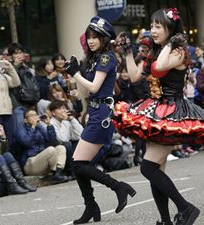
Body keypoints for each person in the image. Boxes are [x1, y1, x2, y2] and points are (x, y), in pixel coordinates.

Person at [112, 8, 204, 225]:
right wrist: (128, 52)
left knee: (147, 167)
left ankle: (186, 208)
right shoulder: (155, 51)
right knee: (156, 170)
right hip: (156, 109)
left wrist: (170, 44)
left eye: (158, 26)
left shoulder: (177, 51)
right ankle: (166, 220)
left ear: (171, 29)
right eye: (151, 26)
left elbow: (158, 70)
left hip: (172, 111)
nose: (153, 30)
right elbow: (133, 76)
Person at [64, 16, 136, 224]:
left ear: (104, 39)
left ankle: (117, 187)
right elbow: (89, 88)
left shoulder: (107, 58)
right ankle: (91, 207)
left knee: (78, 164)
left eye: (96, 37)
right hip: (96, 111)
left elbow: (94, 87)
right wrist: (78, 73)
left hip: (103, 114)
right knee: (80, 163)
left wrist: (76, 73)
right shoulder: (95, 58)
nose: (91, 40)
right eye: (89, 36)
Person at [14, 108, 68, 184]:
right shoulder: (20, 130)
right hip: (30, 163)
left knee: (60, 148)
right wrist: (32, 127)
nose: (35, 117)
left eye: (35, 115)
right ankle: (56, 173)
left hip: (42, 160)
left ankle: (57, 174)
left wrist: (49, 125)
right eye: (31, 116)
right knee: (50, 150)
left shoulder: (39, 127)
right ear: (25, 120)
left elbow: (52, 141)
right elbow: (27, 142)